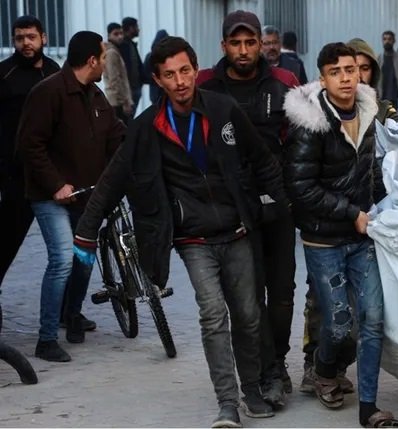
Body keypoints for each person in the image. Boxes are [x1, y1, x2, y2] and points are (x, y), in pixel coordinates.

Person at [73, 36, 288, 427]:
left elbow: (263, 160)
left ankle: (252, 390)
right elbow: (113, 179)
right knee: (213, 315)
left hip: (238, 230)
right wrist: (86, 233)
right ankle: (227, 403)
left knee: (248, 315)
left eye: (185, 71)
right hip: (194, 239)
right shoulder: (146, 127)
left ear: (195, 68)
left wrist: (282, 208)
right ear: (158, 80)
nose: (180, 81)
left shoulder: (223, 109)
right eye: (170, 75)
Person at [282, 42, 398, 428]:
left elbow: (370, 171)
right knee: (338, 323)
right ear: (323, 79)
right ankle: (323, 369)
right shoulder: (310, 124)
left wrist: (388, 206)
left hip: (362, 238)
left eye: (351, 70)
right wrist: (353, 214)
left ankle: (369, 407)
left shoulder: (368, 112)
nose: (346, 78)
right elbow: (301, 187)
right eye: (336, 72)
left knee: (374, 318)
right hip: (324, 240)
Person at [196, 9, 300, 410]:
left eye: (250, 42)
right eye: (235, 43)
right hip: (232, 210)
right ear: (224, 45)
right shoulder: (206, 85)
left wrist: (291, 195)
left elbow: (299, 143)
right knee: (249, 298)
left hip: (278, 206)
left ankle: (278, 362)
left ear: (262, 44)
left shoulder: (285, 83)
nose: (243, 50)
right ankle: (266, 372)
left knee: (283, 293)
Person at [17, 31, 125, 361]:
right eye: (103, 58)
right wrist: (55, 185)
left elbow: (115, 136)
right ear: (92, 61)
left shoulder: (95, 95)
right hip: (50, 197)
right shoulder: (48, 92)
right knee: (63, 259)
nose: (105, 64)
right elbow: (30, 145)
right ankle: (47, 339)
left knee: (83, 259)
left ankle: (72, 314)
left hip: (85, 197)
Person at [0, 16, 60, 294]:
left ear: (43, 38)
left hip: (53, 175)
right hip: (15, 177)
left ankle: (67, 310)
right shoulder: (4, 74)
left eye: (31, 37)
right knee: (6, 245)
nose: (26, 43)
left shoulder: (54, 71)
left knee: (65, 251)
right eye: (20, 38)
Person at [103, 22, 133, 122]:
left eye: (121, 33)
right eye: (116, 34)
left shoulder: (115, 50)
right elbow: (114, 79)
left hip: (117, 100)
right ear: (109, 36)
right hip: (117, 102)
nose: (120, 37)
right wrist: (124, 102)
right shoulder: (111, 53)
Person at [119, 17, 150, 113]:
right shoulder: (122, 46)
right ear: (130, 28)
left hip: (135, 89)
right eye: (136, 27)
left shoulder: (131, 45)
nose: (138, 29)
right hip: (128, 92)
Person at [377, 31, 398, 108]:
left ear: (394, 41)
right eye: (385, 39)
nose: (387, 41)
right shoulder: (379, 59)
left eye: (389, 39)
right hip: (383, 99)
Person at [145, 29, 169, 105]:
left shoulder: (149, 56)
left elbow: (145, 74)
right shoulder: (169, 56)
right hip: (165, 89)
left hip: (154, 90)